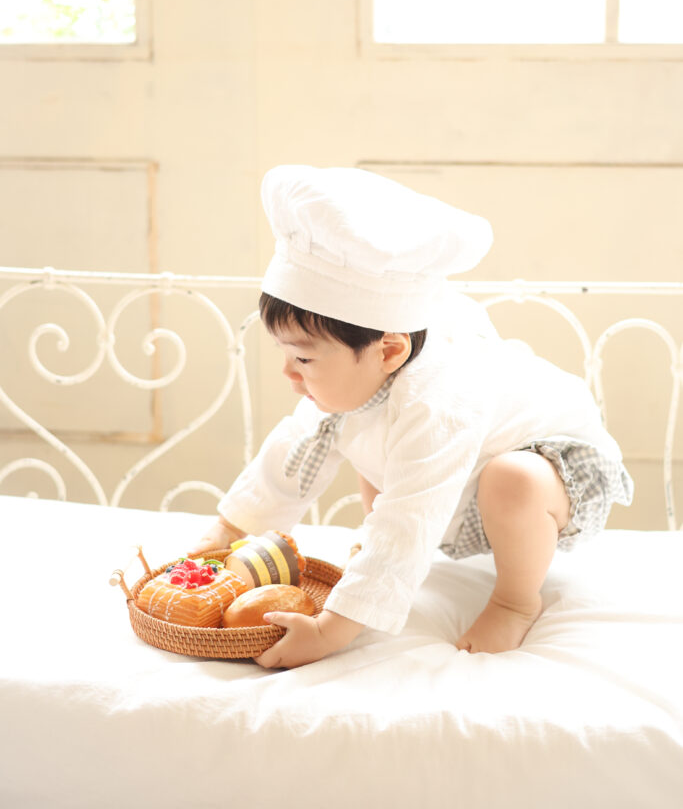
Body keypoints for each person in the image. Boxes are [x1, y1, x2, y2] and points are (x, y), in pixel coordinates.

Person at [191, 165, 633, 668]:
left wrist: (330, 631)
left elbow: (407, 517)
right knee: (355, 433)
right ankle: (377, 558)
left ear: (389, 351)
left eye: (304, 358)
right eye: (285, 353)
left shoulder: (441, 396)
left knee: (512, 480)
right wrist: (230, 529)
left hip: (553, 469)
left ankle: (516, 601)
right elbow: (293, 452)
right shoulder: (361, 377)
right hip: (459, 466)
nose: (288, 373)